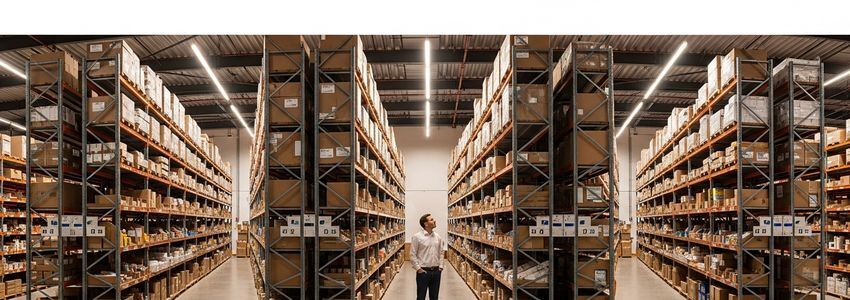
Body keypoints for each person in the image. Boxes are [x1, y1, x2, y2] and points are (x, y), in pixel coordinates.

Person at [410, 213, 446, 300]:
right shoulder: (417, 237)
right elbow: (412, 254)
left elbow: (441, 252)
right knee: (421, 297)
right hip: (423, 272)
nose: (434, 221)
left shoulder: (438, 237)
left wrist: (440, 267)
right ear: (425, 224)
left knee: (434, 297)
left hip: (436, 271)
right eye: (431, 220)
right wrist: (418, 269)